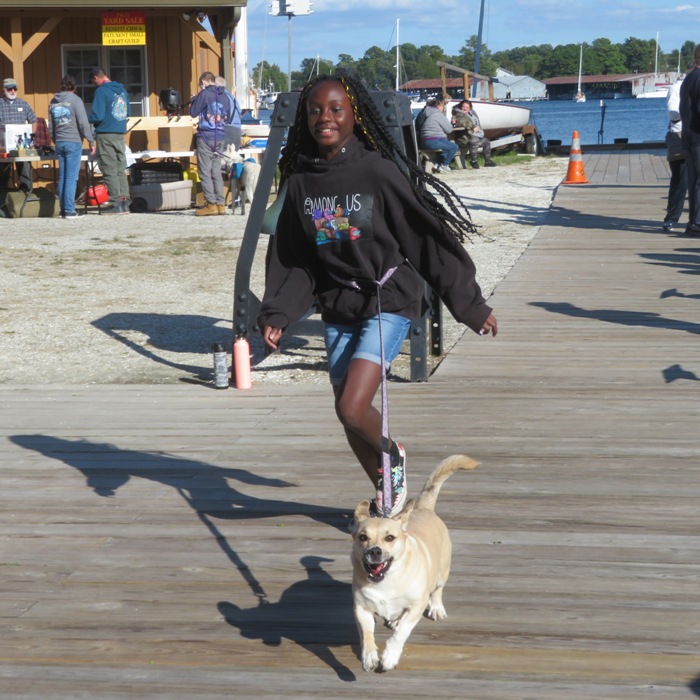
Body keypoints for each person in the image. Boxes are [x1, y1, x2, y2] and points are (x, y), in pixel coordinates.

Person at [258, 72, 498, 519]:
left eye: (335, 109)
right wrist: (279, 312)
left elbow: (425, 238)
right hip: (338, 303)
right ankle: (388, 497)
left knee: (353, 406)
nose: (323, 117)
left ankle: (394, 455)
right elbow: (293, 258)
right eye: (314, 109)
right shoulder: (301, 181)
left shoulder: (377, 171)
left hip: (388, 300)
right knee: (345, 413)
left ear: (355, 116)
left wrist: (470, 304)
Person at [49, 75, 95, 219]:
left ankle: (63, 209)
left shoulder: (53, 102)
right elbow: (83, 123)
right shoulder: (76, 100)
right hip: (73, 141)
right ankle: (69, 210)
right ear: (74, 88)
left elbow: (51, 126)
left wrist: (56, 141)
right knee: (71, 177)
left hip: (60, 142)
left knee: (63, 177)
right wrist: (91, 141)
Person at [190, 71, 236, 216]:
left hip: (206, 136)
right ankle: (221, 204)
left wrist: (194, 100)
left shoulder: (204, 94)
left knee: (204, 171)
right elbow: (229, 116)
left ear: (204, 82)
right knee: (216, 171)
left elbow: (193, 113)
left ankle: (211, 204)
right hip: (221, 136)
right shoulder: (227, 96)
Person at [88, 67, 131, 214]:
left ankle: (115, 203)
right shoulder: (122, 91)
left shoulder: (101, 91)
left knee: (109, 169)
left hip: (106, 134)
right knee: (120, 168)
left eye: (93, 81)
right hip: (120, 134)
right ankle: (125, 202)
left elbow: (98, 116)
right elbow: (128, 112)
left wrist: (86, 118)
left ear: (96, 78)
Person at [663, 66, 691, 232]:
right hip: (679, 135)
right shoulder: (676, 88)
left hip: (695, 134)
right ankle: (671, 218)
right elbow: (673, 114)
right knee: (681, 180)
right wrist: (689, 110)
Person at [0, 78, 37, 192]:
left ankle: (25, 198)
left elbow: (33, 121)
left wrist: (31, 137)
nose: (13, 91)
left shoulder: (23, 104)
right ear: (4, 89)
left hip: (22, 146)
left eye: (15, 88)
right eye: (10, 88)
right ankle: (3, 202)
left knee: (25, 173)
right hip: (3, 147)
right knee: (3, 175)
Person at [680, 45, 700, 238]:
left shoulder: (689, 78)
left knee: (694, 180)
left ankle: (694, 222)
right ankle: (696, 222)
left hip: (689, 135)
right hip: (697, 136)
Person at [417, 94, 459, 173]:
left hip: (425, 140)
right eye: (443, 106)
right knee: (454, 147)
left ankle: (438, 164)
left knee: (447, 147)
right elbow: (449, 129)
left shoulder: (427, 113)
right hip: (433, 140)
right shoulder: (438, 114)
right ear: (439, 105)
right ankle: (444, 165)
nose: (444, 108)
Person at [456, 99, 496, 169]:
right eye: (463, 106)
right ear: (460, 106)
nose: (465, 108)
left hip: (476, 135)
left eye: (467, 107)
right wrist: (473, 127)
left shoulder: (472, 113)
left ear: (470, 108)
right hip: (464, 138)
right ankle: (474, 161)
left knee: (486, 141)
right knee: (474, 141)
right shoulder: (458, 114)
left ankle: (487, 161)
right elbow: (462, 122)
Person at [215, 76, 243, 150]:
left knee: (222, 158)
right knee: (232, 159)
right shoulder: (231, 97)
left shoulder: (221, 97)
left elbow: (220, 117)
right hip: (237, 131)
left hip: (228, 131)